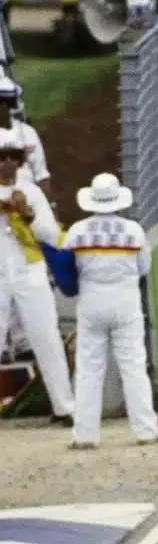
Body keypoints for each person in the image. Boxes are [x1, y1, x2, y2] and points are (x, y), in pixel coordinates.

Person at [64, 173, 158, 450]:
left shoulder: (77, 231)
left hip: (91, 299)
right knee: (133, 366)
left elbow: (67, 264)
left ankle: (85, 434)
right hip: (125, 300)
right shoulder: (133, 231)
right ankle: (145, 430)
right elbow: (144, 267)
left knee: (89, 369)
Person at [0, 133, 72, 427]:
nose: (7, 162)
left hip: (30, 270)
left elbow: (52, 235)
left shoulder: (30, 191)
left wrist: (28, 215)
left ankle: (64, 406)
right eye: (1, 157)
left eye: (14, 156)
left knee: (46, 336)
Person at [0, 78, 50, 193]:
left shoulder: (28, 132)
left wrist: (46, 201)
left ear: (8, 105)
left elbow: (42, 176)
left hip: (30, 199)